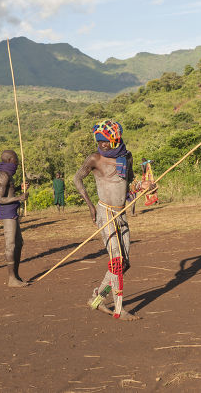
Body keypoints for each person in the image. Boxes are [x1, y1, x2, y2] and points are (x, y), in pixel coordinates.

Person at [74, 119, 155, 320]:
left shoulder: (126, 157)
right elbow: (77, 179)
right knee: (117, 262)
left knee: (124, 263)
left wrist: (144, 187)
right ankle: (120, 310)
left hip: (121, 212)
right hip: (106, 213)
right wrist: (90, 205)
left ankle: (97, 297)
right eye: (99, 141)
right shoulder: (95, 159)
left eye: (105, 140)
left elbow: (129, 184)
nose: (101, 144)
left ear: (115, 139)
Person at [0, 150, 29, 287]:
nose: (18, 162)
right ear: (9, 160)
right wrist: (19, 197)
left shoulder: (9, 175)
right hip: (7, 213)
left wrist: (20, 189)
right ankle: (11, 279)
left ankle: (16, 275)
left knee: (19, 243)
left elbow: (9, 192)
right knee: (11, 245)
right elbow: (0, 199)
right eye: (16, 159)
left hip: (13, 211)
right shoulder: (3, 176)